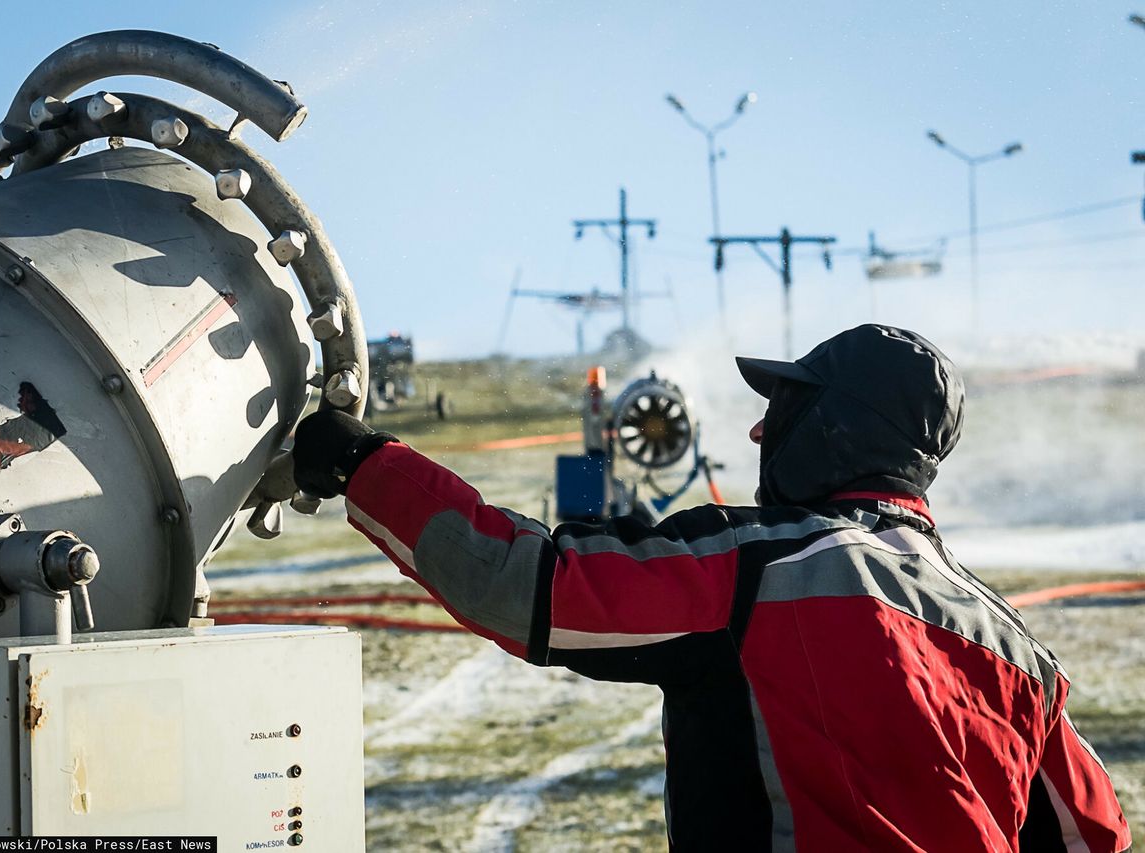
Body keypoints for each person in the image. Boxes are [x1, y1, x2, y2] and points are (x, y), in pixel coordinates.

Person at [292, 324, 1132, 852]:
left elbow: (526, 585)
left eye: (788, 408)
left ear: (837, 431)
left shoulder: (752, 568)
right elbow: (1098, 831)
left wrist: (365, 463)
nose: (762, 428)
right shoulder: (1017, 647)